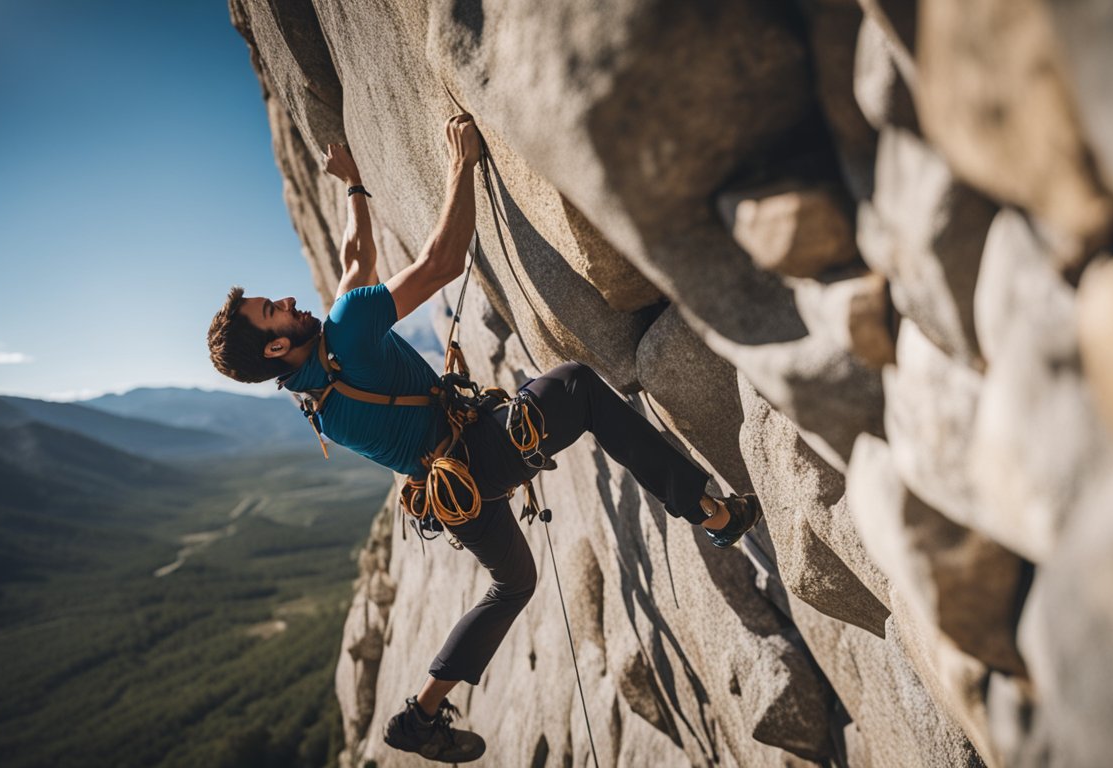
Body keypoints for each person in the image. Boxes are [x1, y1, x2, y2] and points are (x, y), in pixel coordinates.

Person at [206, 113, 762, 763]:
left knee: (514, 584)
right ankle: (712, 512)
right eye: (273, 311)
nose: (287, 301)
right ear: (275, 344)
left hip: (447, 494)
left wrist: (355, 186)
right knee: (578, 387)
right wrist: (460, 162)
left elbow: (356, 261)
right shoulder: (346, 332)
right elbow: (440, 262)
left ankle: (422, 712)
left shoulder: (314, 392)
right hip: (478, 455)